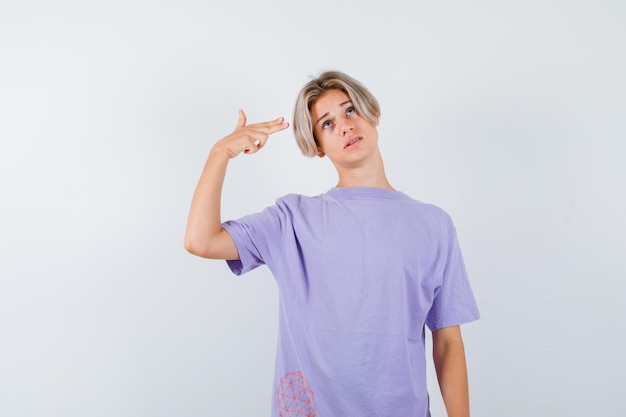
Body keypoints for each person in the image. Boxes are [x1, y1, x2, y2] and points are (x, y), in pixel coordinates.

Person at [184, 71, 480, 417]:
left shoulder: (433, 225)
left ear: (373, 115)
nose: (344, 126)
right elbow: (200, 240)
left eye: (350, 110)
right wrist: (220, 153)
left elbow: (447, 342)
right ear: (318, 147)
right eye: (327, 123)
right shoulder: (292, 220)